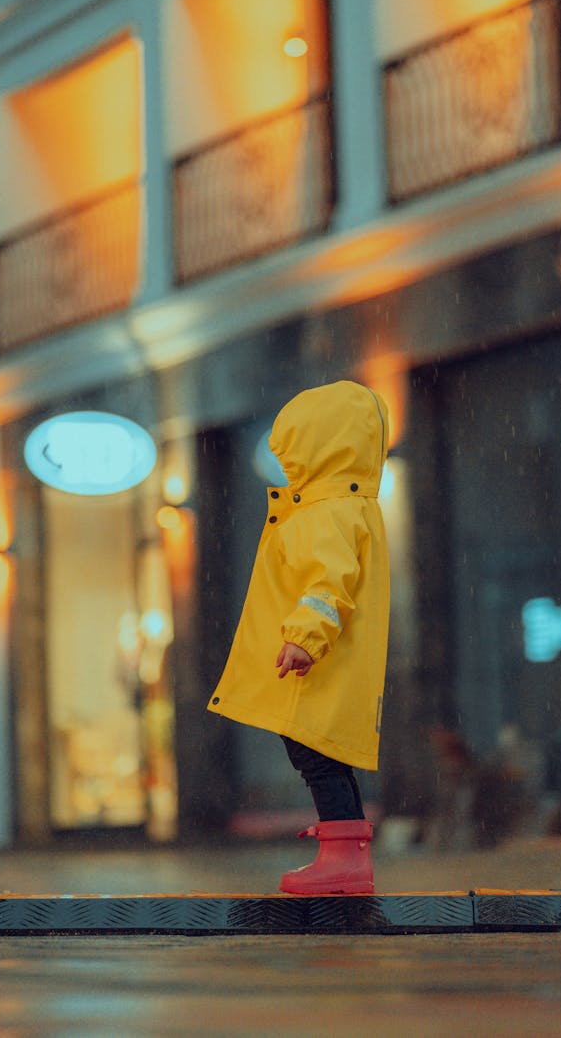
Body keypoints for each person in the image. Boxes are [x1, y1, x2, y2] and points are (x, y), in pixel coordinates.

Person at [207, 380, 390, 894]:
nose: (286, 462)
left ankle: (345, 862)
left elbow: (329, 583)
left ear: (318, 447)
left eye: (291, 450)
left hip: (317, 660)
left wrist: (305, 639)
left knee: (318, 757)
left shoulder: (327, 512)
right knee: (319, 755)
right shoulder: (333, 507)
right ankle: (344, 855)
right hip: (321, 658)